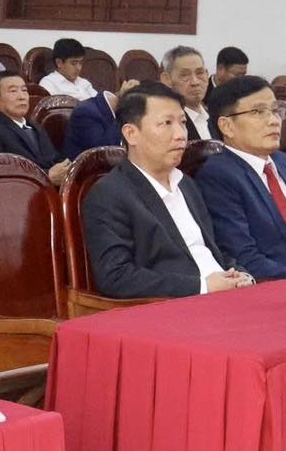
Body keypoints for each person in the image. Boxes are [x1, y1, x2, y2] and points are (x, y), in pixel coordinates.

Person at [81, 83, 248, 299]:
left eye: (183, 123)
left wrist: (240, 274)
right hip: (178, 306)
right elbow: (116, 277)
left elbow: (211, 249)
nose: (180, 135)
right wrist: (202, 286)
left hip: (224, 295)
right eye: (166, 123)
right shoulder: (109, 194)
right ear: (131, 133)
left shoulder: (186, 184)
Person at [195, 75, 286, 280]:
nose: (274, 120)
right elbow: (244, 258)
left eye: (275, 110)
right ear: (227, 126)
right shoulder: (218, 175)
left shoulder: (284, 162)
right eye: (258, 112)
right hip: (279, 284)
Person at [0, 72, 68, 184]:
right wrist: (46, 176)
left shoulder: (35, 126)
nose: (22, 97)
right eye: (13, 91)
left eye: (24, 90)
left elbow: (54, 159)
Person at [162, 46, 214, 146]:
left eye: (200, 73)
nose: (195, 82)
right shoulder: (166, 123)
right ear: (166, 79)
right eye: (185, 75)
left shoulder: (216, 118)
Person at [63, 84, 123, 158]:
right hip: (92, 163)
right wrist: (121, 114)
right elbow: (103, 153)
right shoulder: (85, 113)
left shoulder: (84, 83)